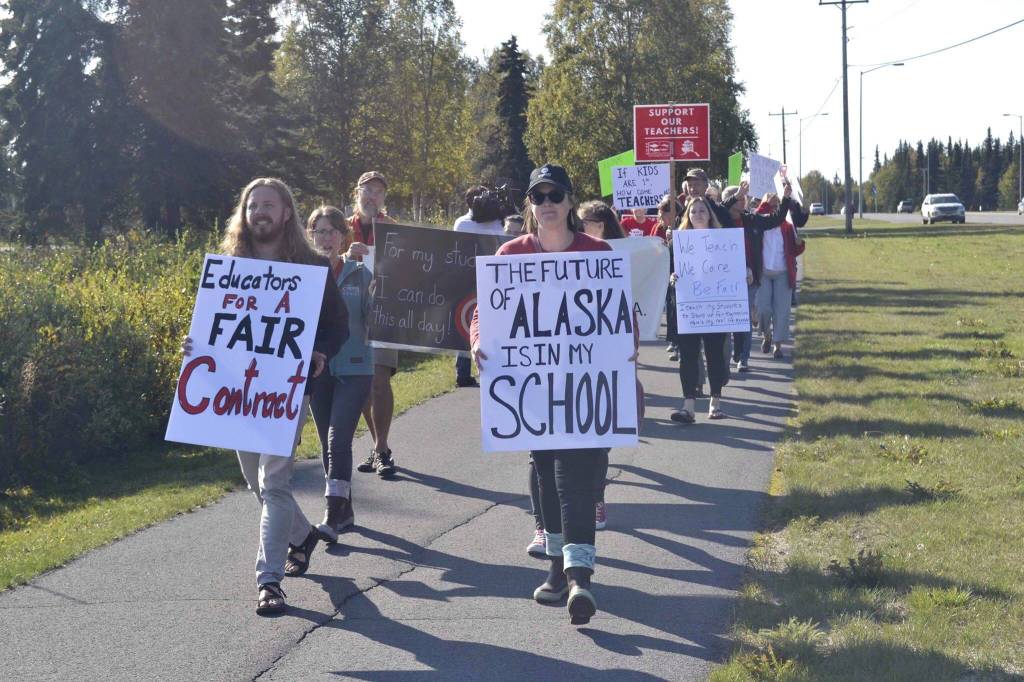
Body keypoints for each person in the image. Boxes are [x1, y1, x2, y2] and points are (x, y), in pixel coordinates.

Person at [471, 164, 637, 625]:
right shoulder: (509, 254)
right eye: (538, 195)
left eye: (555, 194)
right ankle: (557, 568)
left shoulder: (597, 251)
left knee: (576, 478)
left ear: (569, 202)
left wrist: (627, 348)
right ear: (530, 204)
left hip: (586, 387)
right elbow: (484, 312)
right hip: (534, 391)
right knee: (546, 475)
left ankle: (580, 575)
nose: (547, 203)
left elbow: (621, 314)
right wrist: (479, 341)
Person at [182, 178, 347, 616]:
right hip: (239, 394)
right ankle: (304, 536)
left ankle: (268, 579)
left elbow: (338, 326)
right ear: (244, 213)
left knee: (274, 483)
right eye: (252, 205)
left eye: (268, 205)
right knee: (256, 481)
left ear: (287, 213)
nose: (260, 212)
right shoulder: (229, 267)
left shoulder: (312, 268)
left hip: (286, 392)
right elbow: (217, 327)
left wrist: (321, 352)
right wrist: (196, 346)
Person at [668, 185, 793, 423]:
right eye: (693, 212)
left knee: (715, 356)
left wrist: (744, 272)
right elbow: (671, 270)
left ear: (710, 215)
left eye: (702, 211)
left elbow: (735, 266)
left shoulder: (724, 240)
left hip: (716, 309)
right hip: (690, 309)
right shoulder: (679, 242)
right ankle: (688, 407)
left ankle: (715, 404)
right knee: (689, 356)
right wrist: (672, 277)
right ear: (687, 216)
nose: (698, 215)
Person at [306, 206, 375, 544]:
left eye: (332, 230)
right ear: (309, 236)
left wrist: (379, 280)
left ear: (343, 236)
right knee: (325, 443)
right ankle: (345, 508)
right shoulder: (303, 274)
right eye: (319, 231)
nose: (326, 237)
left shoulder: (361, 274)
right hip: (317, 369)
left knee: (338, 439)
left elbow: (378, 318)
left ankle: (332, 514)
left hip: (356, 367)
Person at [346, 171, 400, 478]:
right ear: (357, 192)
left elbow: (410, 266)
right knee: (362, 385)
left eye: (378, 192)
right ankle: (381, 445)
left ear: (384, 198)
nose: (372, 197)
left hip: (384, 311)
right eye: (367, 190)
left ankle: (381, 451)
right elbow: (323, 262)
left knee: (380, 380)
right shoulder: (341, 227)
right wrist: (344, 253)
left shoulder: (392, 228)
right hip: (350, 313)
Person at [453, 185, 506, 387]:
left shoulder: (463, 223)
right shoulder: (470, 224)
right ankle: (466, 371)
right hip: (476, 279)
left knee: (465, 322)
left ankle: (464, 372)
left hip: (479, 279)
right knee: (468, 323)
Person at [754, 192, 806, 359]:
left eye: (777, 204)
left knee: (781, 311)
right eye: (772, 203)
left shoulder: (788, 225)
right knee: (763, 309)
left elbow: (795, 251)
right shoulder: (760, 221)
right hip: (763, 273)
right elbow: (755, 217)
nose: (775, 206)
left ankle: (777, 346)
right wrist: (766, 205)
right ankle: (767, 335)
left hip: (783, 272)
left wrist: (800, 245)